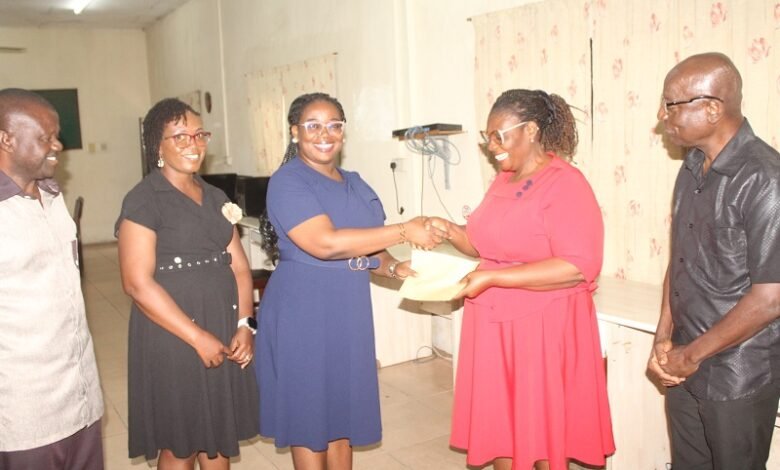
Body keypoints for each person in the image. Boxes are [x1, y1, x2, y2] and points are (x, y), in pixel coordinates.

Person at [254, 92, 447, 470]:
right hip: (303, 310)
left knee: (343, 412)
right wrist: (405, 230)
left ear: (343, 131)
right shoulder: (288, 181)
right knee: (309, 416)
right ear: (294, 132)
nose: (324, 134)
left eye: (333, 125)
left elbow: (371, 246)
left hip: (347, 310)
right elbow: (325, 244)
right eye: (313, 125)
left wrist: (395, 268)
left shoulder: (356, 183)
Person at [429, 89, 615, 470]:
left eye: (499, 136)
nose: (492, 146)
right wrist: (450, 231)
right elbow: (484, 243)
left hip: (541, 327)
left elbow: (577, 266)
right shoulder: (504, 179)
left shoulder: (565, 183)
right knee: (503, 428)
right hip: (494, 324)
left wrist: (493, 277)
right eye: (487, 138)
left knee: (541, 433)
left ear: (530, 130)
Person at [647, 52, 780, 470]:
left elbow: (770, 299)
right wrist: (663, 339)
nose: (662, 115)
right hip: (685, 361)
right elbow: (680, 260)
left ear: (711, 108)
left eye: (671, 104)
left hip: (738, 373)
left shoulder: (766, 178)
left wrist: (691, 356)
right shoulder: (690, 169)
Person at [116, 98, 259, 469]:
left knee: (218, 437)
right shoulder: (144, 199)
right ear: (157, 145)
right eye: (179, 136)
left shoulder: (215, 196)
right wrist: (197, 338)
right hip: (173, 332)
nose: (193, 144)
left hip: (222, 324)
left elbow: (241, 268)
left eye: (199, 135)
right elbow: (136, 283)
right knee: (181, 443)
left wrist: (246, 325)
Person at [0, 88, 104, 469]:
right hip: (25, 415)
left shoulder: (52, 196)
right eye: (45, 137)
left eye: (56, 135)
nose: (57, 145)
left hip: (81, 400)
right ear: (6, 139)